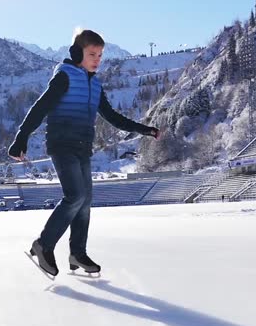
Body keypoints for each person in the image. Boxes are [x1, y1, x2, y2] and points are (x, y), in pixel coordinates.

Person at [8, 29, 160, 276]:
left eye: (100, 55)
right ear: (78, 52)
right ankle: (44, 243)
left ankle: (77, 253)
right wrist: (21, 137)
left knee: (85, 201)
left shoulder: (95, 84)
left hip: (82, 148)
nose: (97, 60)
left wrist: (145, 130)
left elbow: (112, 117)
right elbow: (41, 107)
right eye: (92, 54)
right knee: (75, 196)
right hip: (61, 145)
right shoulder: (64, 77)